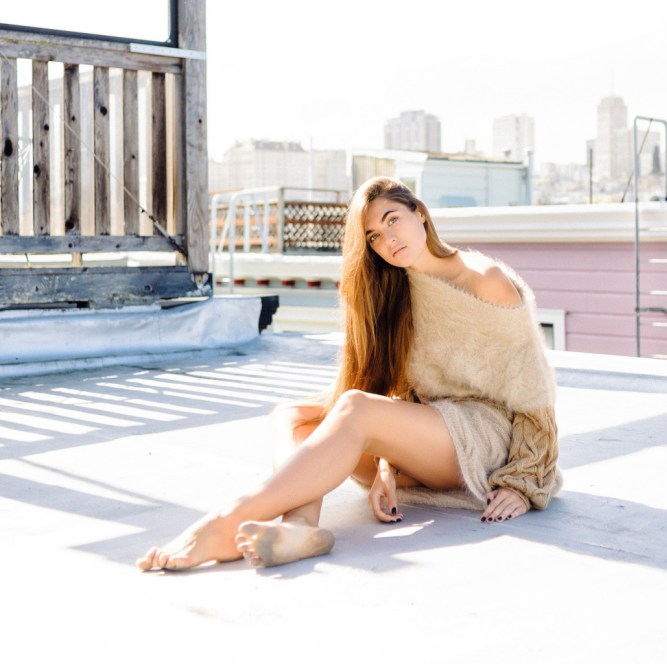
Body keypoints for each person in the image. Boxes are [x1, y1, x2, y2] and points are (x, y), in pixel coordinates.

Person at [136, 177, 561, 571]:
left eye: (392, 220)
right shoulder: (397, 290)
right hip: (434, 435)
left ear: (420, 213)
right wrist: (385, 465)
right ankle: (300, 527)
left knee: (354, 407)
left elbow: (533, 389)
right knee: (293, 417)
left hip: (487, 437)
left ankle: (225, 523)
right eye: (373, 236)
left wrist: (523, 482)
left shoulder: (485, 279)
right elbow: (396, 394)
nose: (388, 240)